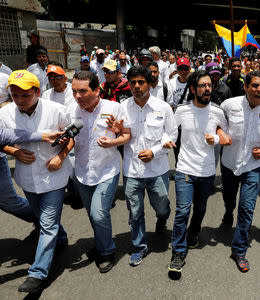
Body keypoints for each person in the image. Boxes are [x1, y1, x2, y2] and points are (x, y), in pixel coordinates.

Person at [0, 70, 73, 293]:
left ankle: (37, 273)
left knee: (47, 223)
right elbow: (2, 140)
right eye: (15, 95)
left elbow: (71, 138)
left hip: (54, 178)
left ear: (37, 92)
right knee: (43, 218)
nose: (20, 101)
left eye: (25, 96)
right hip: (27, 178)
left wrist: (60, 158)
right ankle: (61, 238)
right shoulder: (5, 114)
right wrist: (14, 151)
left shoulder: (57, 111)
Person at [167, 71, 230, 273]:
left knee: (200, 209)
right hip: (185, 167)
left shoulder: (218, 112)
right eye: (203, 85)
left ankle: (193, 234)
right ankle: (178, 251)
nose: (207, 89)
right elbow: (169, 132)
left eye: (209, 85)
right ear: (193, 89)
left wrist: (217, 139)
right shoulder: (182, 111)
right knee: (182, 210)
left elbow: (226, 134)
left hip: (207, 171)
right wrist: (166, 141)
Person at [70, 71, 131, 273]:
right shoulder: (71, 111)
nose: (77, 96)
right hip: (82, 172)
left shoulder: (114, 108)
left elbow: (126, 135)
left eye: (82, 91)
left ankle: (106, 251)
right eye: (74, 92)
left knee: (98, 214)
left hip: (107, 170)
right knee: (93, 214)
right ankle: (100, 242)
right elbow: (68, 138)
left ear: (97, 90)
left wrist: (114, 139)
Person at [220, 71, 260, 272]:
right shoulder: (229, 105)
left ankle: (239, 250)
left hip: (253, 167)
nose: (259, 90)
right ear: (246, 87)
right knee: (229, 197)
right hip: (229, 164)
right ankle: (228, 211)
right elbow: (217, 124)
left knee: (246, 208)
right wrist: (221, 134)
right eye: (254, 85)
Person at [121, 66, 178, 266]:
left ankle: (161, 220)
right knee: (135, 212)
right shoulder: (123, 107)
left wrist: (154, 151)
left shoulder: (162, 108)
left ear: (149, 83)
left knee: (162, 207)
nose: (136, 86)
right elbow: (119, 134)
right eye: (132, 82)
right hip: (131, 170)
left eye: (140, 82)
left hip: (157, 169)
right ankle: (139, 247)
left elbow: (172, 135)